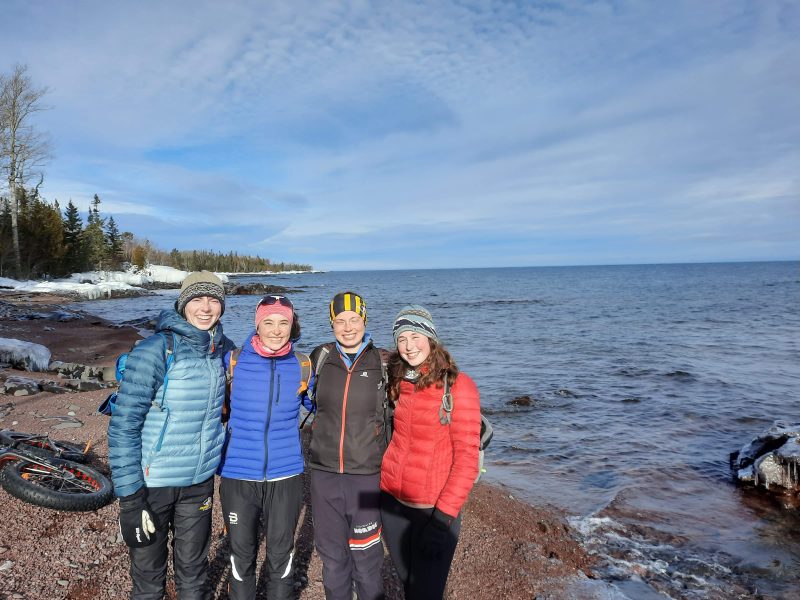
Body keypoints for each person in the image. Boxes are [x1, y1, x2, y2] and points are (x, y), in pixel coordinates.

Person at [108, 271, 235, 600]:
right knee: (149, 581)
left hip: (199, 483)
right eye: (196, 299)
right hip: (152, 485)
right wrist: (130, 501)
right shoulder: (156, 350)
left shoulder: (223, 351)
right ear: (182, 305)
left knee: (194, 574)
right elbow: (124, 425)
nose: (205, 308)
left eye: (213, 300)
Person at [379, 305, 481, 600]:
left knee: (426, 593)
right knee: (409, 587)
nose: (409, 346)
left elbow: (466, 461)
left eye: (415, 336)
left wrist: (442, 520)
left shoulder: (458, 386)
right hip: (392, 503)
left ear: (431, 337)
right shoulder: (399, 380)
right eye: (401, 339)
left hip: (431, 510)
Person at [218, 295, 311, 600]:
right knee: (241, 556)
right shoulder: (232, 360)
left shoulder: (302, 366)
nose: (276, 330)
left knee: (281, 557)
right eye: (268, 322)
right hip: (238, 473)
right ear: (257, 325)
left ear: (291, 325)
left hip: (286, 475)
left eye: (283, 322)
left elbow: (328, 406)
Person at [306, 291, 388, 600]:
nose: (348, 327)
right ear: (331, 323)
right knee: (332, 558)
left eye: (354, 319)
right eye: (340, 320)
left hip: (366, 475)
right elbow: (297, 394)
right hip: (324, 474)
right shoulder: (320, 358)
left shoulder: (383, 362)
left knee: (366, 560)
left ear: (365, 320)